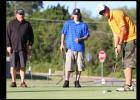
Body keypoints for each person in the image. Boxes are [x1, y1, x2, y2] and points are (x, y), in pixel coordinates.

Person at [97, 4, 136, 91]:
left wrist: (119, 44)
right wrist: (116, 46)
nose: (103, 13)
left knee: (128, 61)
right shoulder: (110, 20)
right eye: (101, 13)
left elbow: (124, 30)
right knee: (125, 62)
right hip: (126, 40)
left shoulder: (117, 14)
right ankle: (128, 83)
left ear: (107, 8)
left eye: (104, 11)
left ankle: (129, 85)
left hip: (132, 38)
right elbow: (115, 34)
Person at [60, 8, 90, 88]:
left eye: (77, 14)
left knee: (79, 66)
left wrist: (80, 39)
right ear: (73, 15)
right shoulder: (68, 23)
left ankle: (77, 81)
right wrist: (62, 44)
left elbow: (87, 36)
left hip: (80, 49)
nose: (76, 16)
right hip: (70, 48)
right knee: (68, 66)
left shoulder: (84, 25)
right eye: (75, 14)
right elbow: (63, 33)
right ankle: (66, 81)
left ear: (79, 15)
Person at [6, 9, 34, 87]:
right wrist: (8, 45)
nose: (21, 15)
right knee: (13, 66)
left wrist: (30, 45)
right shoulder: (11, 23)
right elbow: (7, 35)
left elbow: (31, 36)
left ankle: (22, 82)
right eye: (19, 14)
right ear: (16, 15)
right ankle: (13, 82)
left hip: (23, 49)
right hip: (13, 48)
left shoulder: (27, 24)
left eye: (22, 14)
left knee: (22, 66)